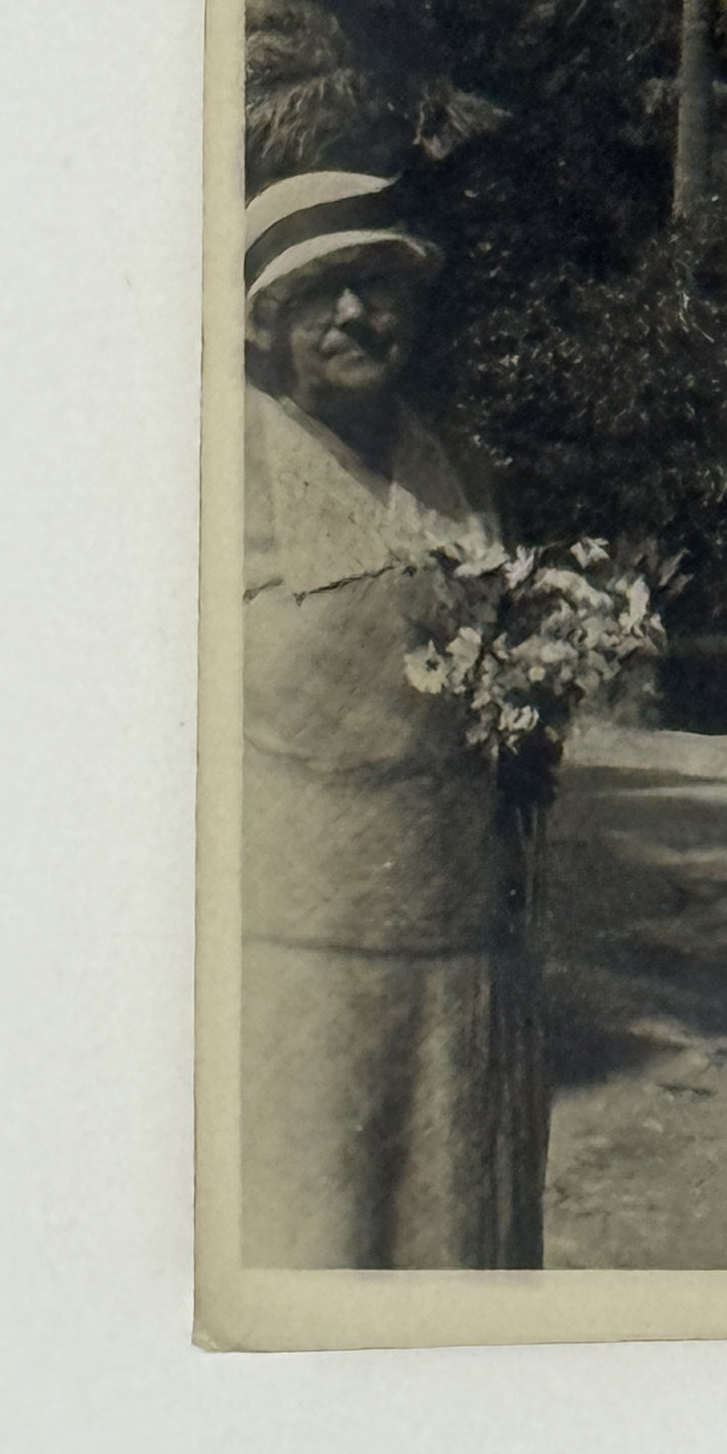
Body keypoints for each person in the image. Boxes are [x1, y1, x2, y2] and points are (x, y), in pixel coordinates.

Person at [238, 168, 548, 1268]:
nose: (354, 315)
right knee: (309, 1235)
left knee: (445, 1233)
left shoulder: (451, 460)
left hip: (456, 928)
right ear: (267, 323)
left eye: (377, 286)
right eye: (319, 293)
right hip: (292, 936)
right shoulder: (219, 457)